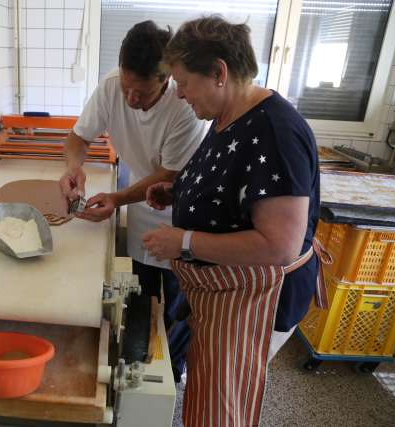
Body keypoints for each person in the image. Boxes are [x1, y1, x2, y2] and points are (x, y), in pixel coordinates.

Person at [142, 16, 327, 426]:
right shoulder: (227, 115)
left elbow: (278, 245)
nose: (180, 94)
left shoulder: (274, 132)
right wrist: (181, 192)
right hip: (224, 292)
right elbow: (234, 187)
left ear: (219, 73)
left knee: (224, 409)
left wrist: (184, 241)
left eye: (184, 83)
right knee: (208, 393)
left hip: (255, 298)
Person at [59, 21, 205, 382]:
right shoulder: (113, 86)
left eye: (141, 93)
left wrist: (115, 198)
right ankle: (139, 361)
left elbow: (168, 176)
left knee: (177, 298)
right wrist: (74, 167)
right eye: (126, 88)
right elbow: (77, 137)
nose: (130, 99)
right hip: (141, 202)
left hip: (180, 208)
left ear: (167, 78)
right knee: (141, 292)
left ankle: (175, 367)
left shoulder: (184, 108)